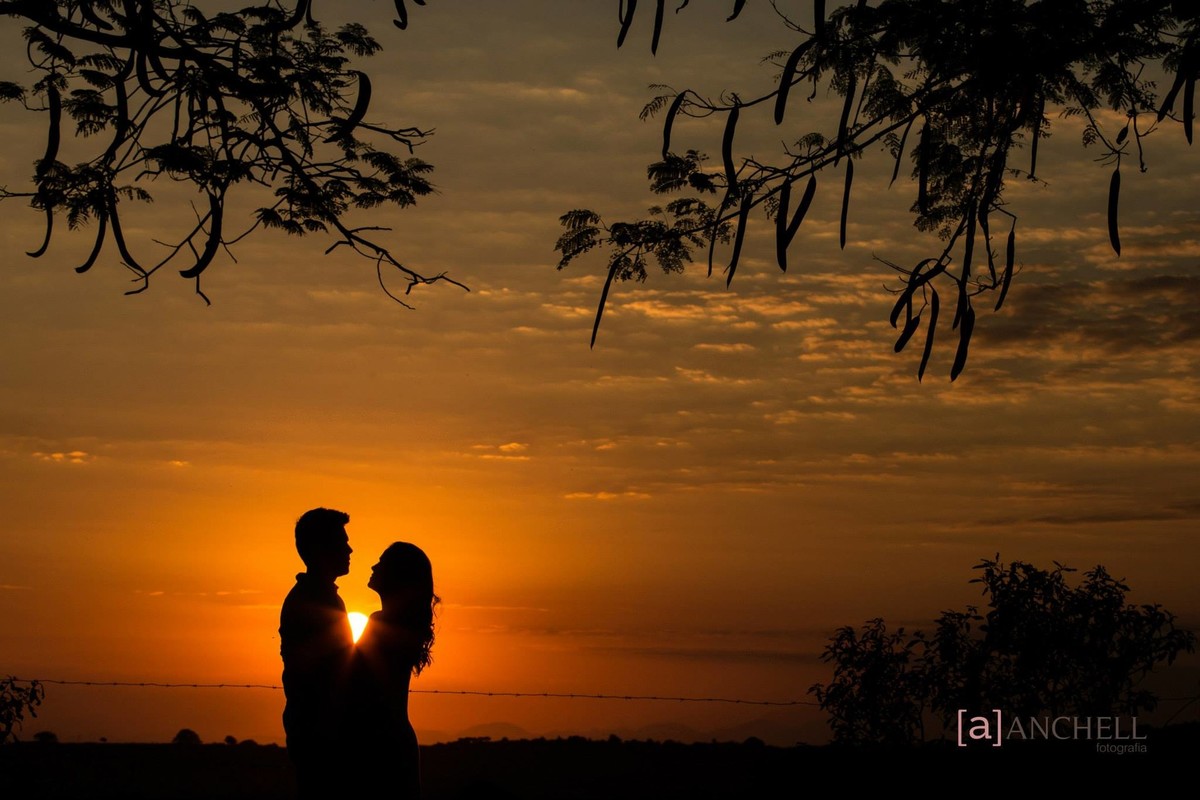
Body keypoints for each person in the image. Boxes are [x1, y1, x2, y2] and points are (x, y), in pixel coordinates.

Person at [347, 542, 438, 799]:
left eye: (382, 562)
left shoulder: (381, 623)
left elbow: (351, 680)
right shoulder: (403, 625)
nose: (374, 566)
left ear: (398, 575)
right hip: (396, 740)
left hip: (378, 745)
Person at [279, 507, 355, 799]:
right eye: (341, 541)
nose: (350, 548)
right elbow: (329, 674)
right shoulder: (313, 602)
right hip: (322, 738)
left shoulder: (323, 596)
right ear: (320, 549)